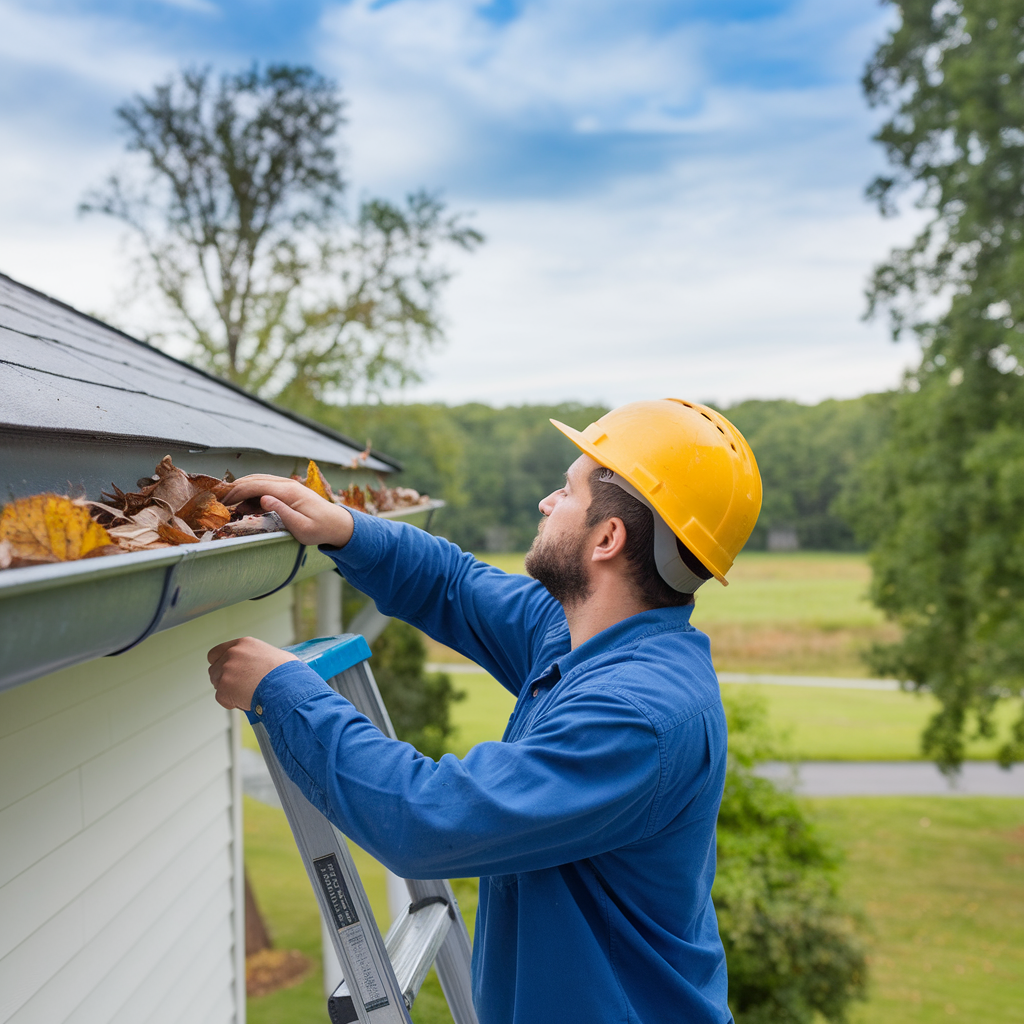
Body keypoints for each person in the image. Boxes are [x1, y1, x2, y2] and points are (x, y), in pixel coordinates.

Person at [208, 399, 761, 1024]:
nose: (548, 502)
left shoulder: (637, 718)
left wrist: (283, 691)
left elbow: (426, 819)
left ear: (608, 537)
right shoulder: (585, 638)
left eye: (568, 490)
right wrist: (344, 526)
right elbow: (456, 585)